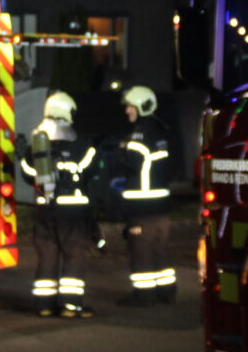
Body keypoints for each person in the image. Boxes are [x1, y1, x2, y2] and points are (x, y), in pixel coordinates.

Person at [20, 91, 99, 318]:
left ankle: (44, 306)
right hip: (72, 211)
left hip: (44, 210)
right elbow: (93, 168)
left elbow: (27, 174)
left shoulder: (37, 146)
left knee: (47, 256)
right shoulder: (81, 145)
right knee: (74, 256)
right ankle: (70, 306)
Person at [115, 85, 176, 306]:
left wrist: (121, 149)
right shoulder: (159, 130)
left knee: (141, 250)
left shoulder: (140, 133)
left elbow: (130, 163)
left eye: (130, 106)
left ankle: (144, 295)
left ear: (142, 106)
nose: (127, 111)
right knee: (160, 250)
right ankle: (167, 292)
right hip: (161, 205)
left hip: (142, 206)